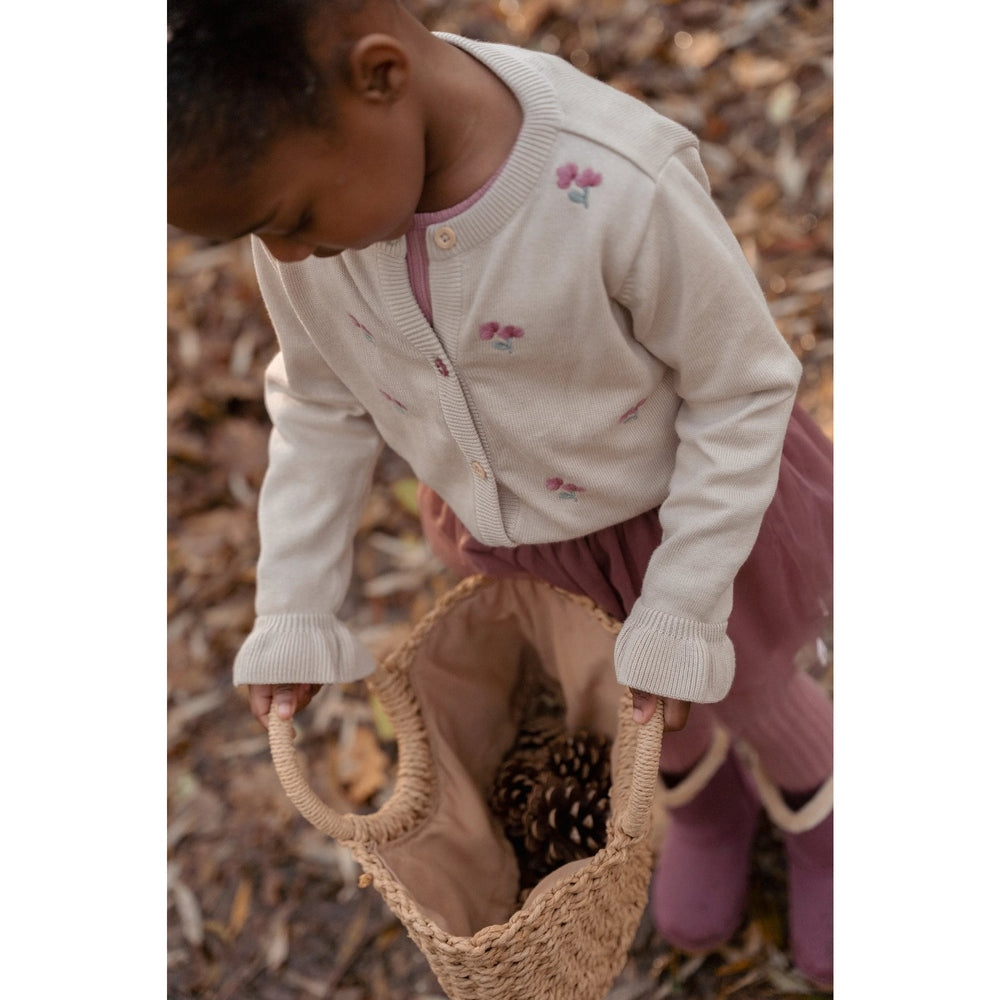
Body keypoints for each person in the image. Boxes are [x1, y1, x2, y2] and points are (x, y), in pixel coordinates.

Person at [167, 0, 833, 988]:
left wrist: (684, 598)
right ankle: (704, 809)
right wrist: (295, 601)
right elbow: (318, 400)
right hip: (528, 550)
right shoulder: (311, 225)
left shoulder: (614, 186)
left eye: (292, 219)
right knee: (630, 715)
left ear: (380, 77)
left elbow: (738, 391)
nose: (292, 254)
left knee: (753, 686)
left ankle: (825, 824)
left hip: (694, 523)